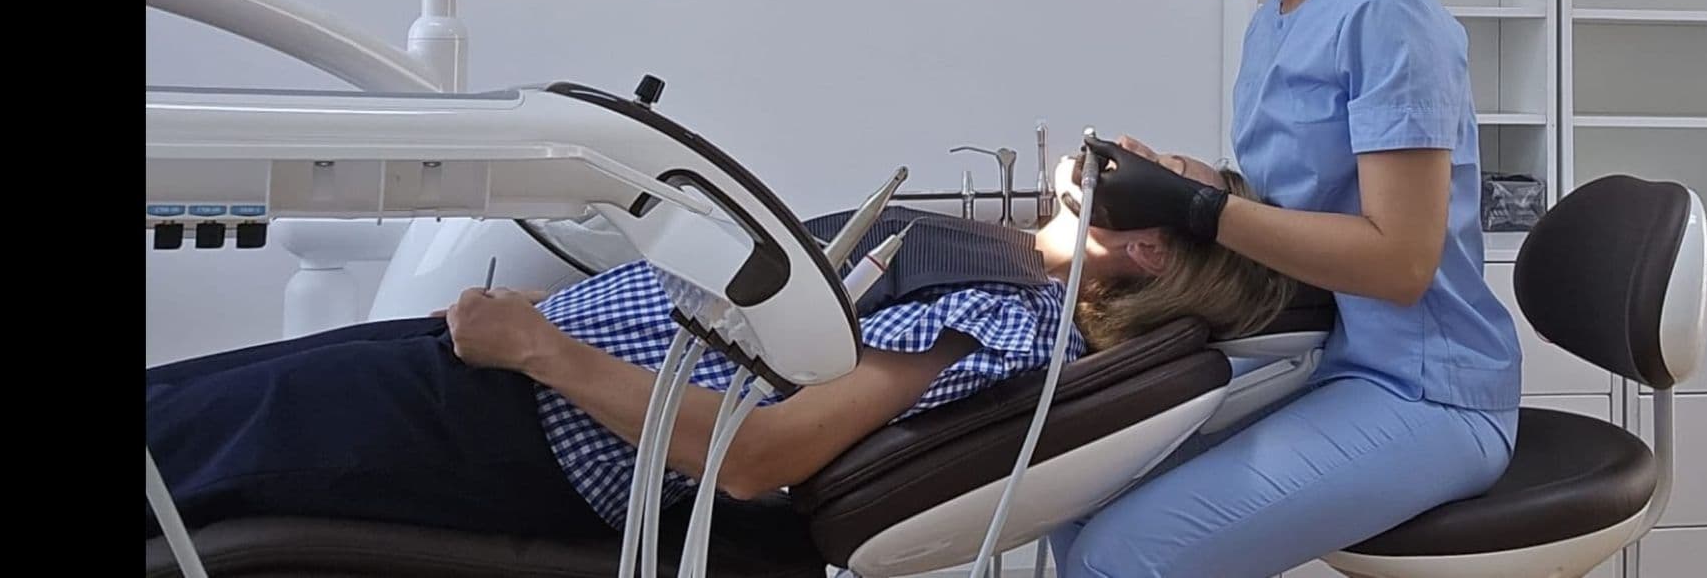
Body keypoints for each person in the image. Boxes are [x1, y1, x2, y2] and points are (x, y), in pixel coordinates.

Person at [144, 159, 1296, 542]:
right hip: (493, 376)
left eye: (1158, 175)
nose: (1124, 160)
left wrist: (541, 346)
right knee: (180, 408)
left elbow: (760, 456)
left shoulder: (1001, 321)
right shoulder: (1006, 277)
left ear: (1142, 246)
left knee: (181, 458)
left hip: (518, 426)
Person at [1047, 0, 1524, 578]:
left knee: (1122, 558)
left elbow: (1400, 263)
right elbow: (1296, 201)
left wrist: (1201, 208)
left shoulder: (1388, 15)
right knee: (1072, 493)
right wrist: (1180, 180)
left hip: (1428, 392)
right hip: (1325, 357)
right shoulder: (1277, 18)